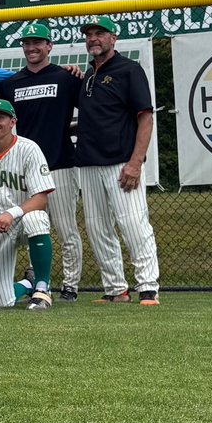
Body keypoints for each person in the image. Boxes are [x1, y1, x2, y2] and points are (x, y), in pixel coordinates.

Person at [0, 23, 86, 302]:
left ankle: (70, 285)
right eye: (27, 43)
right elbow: (2, 124)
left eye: (38, 42)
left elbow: (93, 114)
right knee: (31, 224)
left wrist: (65, 131)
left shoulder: (67, 77)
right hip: (23, 168)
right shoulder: (10, 84)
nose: (32, 47)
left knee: (65, 227)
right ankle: (36, 277)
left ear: (50, 46)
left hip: (59, 164)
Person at [75, 16, 161, 306]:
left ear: (114, 38)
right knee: (98, 228)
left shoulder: (129, 70)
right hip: (88, 162)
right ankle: (115, 289)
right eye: (89, 34)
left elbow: (145, 118)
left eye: (100, 33)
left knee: (134, 224)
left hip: (121, 162)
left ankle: (148, 287)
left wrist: (136, 163)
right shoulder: (88, 75)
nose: (93, 38)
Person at [0, 99, 56, 310]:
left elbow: (41, 198)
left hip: (23, 219)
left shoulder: (29, 148)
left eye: (0, 117)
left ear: (12, 121)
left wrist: (11, 213)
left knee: (37, 218)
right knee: (0, 300)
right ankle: (28, 284)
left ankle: (42, 288)